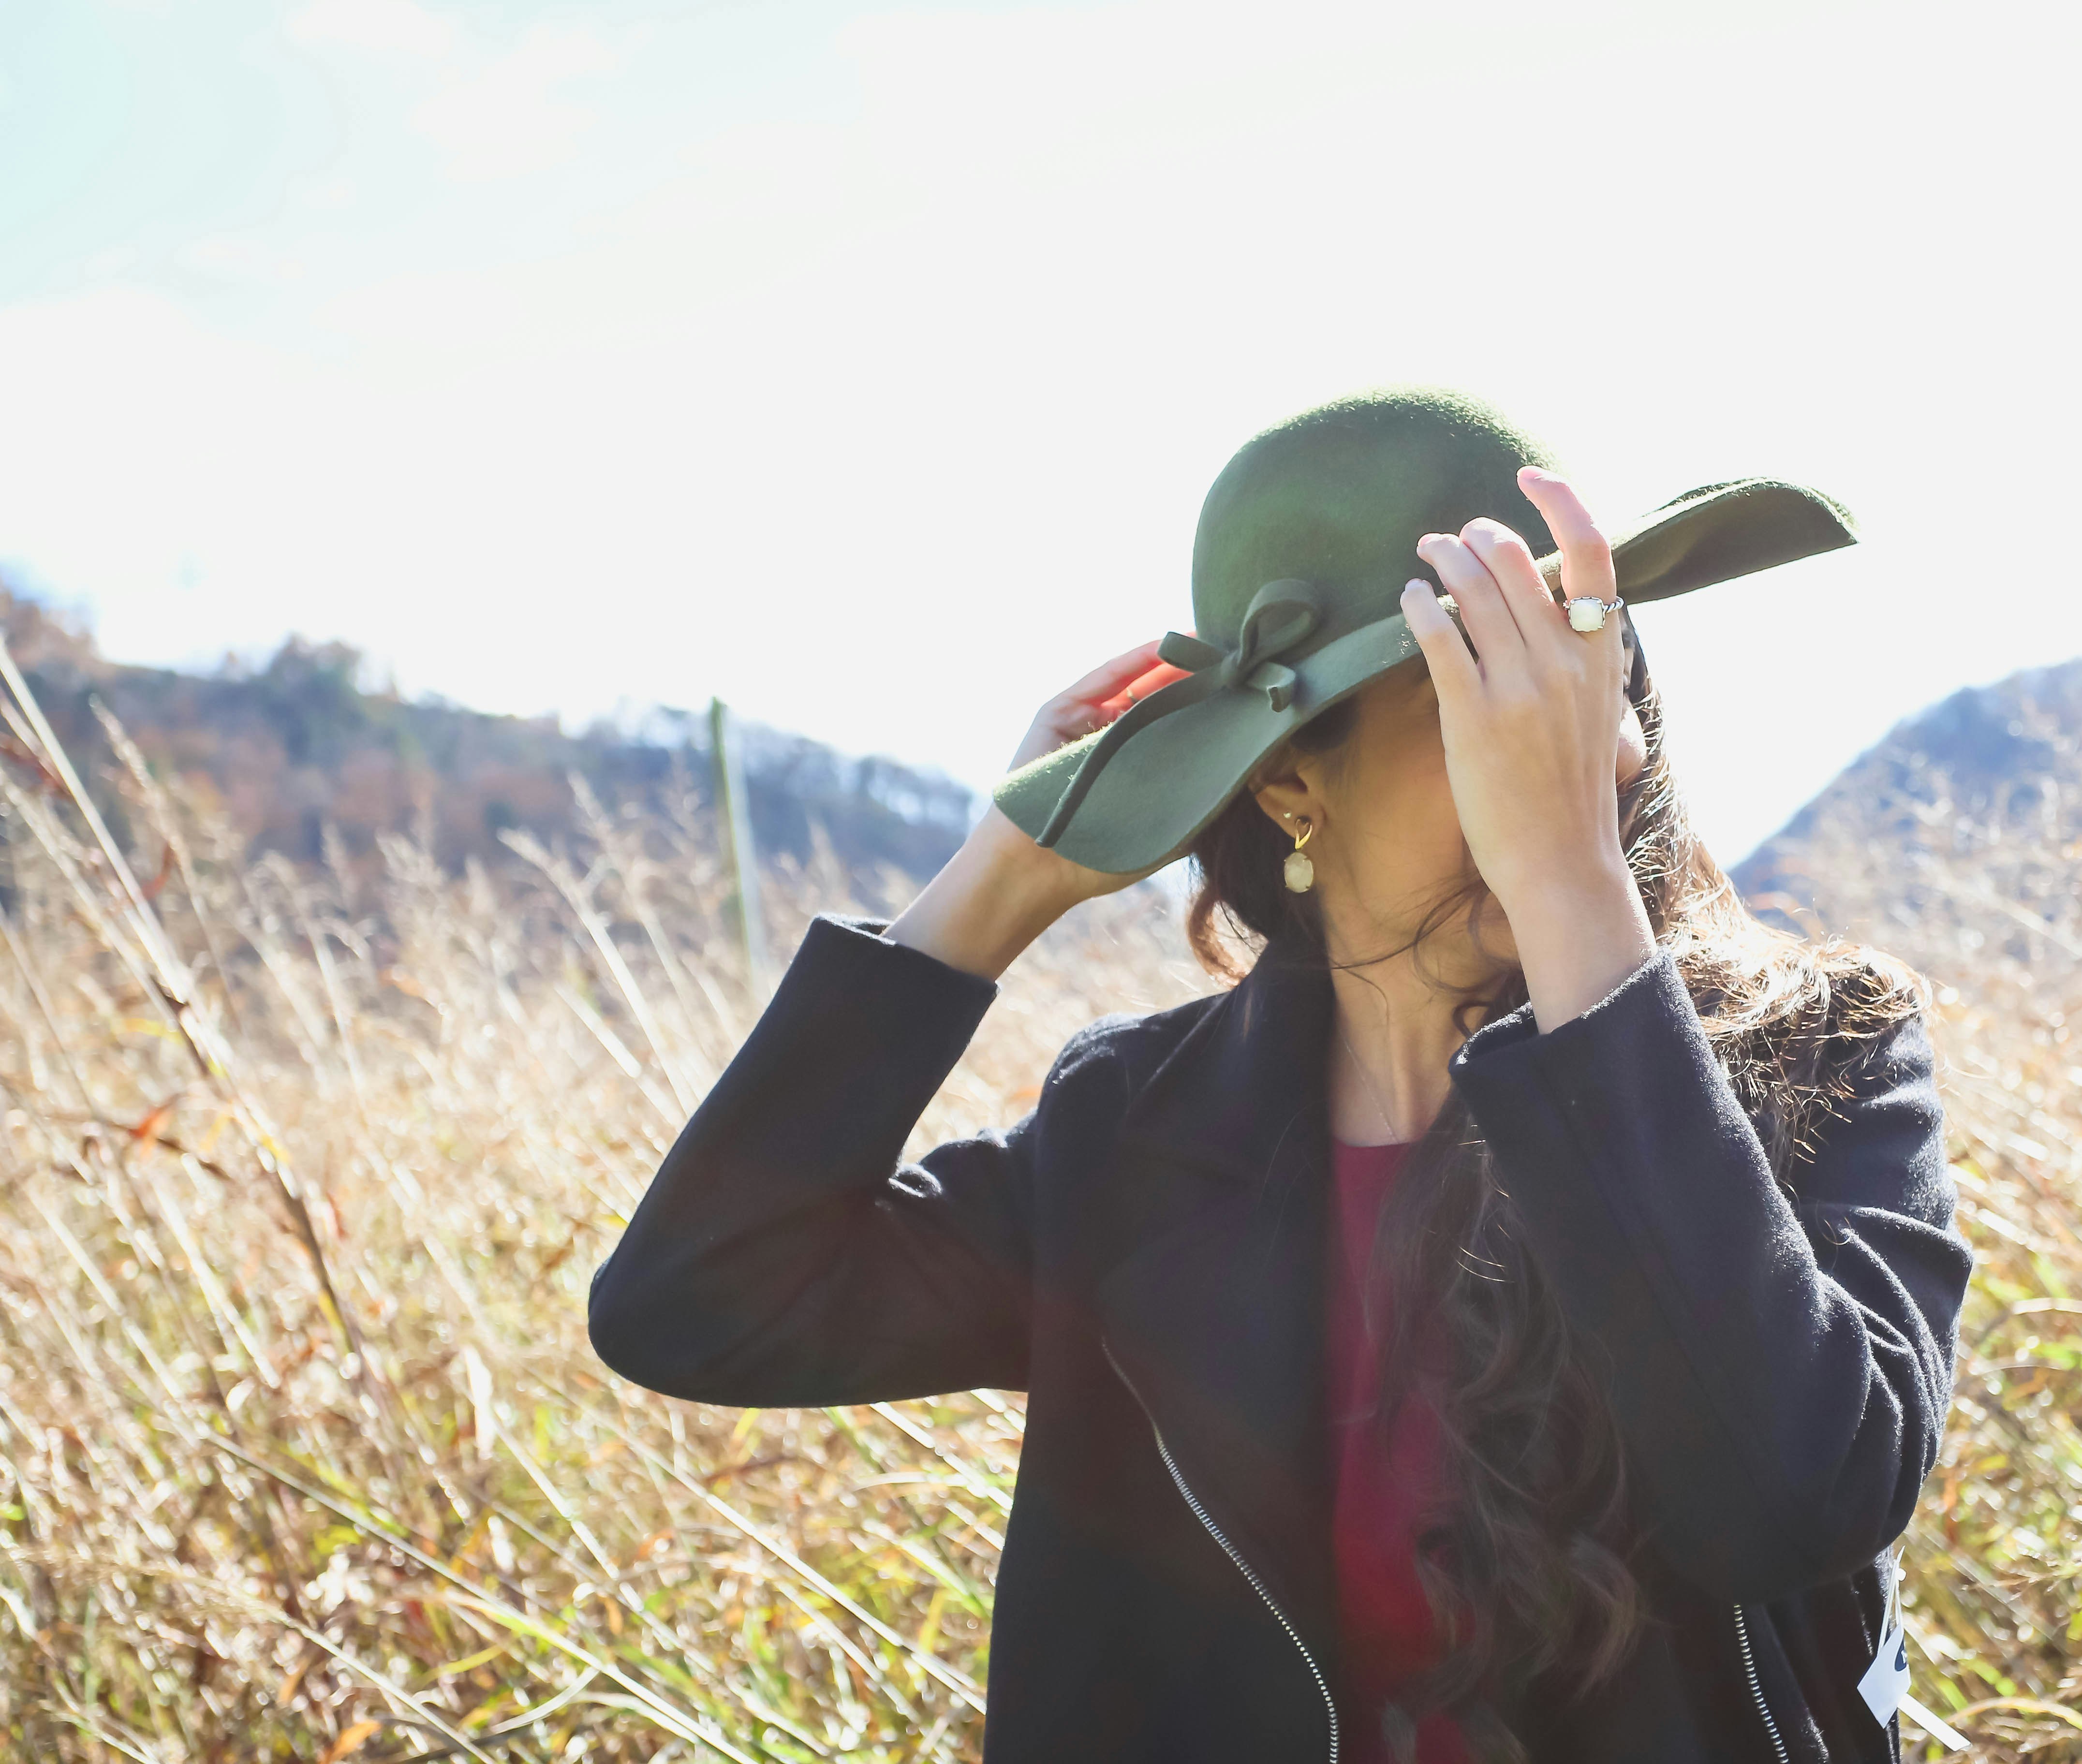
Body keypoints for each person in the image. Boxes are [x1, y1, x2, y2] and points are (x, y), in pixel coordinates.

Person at [588, 388, 1971, 1764]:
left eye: (1587, 677)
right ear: (1290, 785)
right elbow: (696, 1307)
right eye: (1480, 692)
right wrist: (997, 881)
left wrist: (1570, 893)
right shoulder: (1135, 1137)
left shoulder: (1824, 1054)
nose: (1582, 756)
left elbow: (1792, 1500)